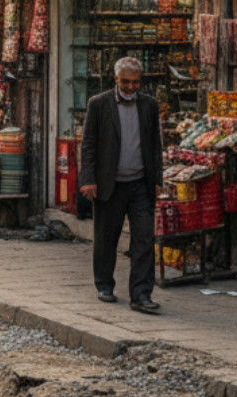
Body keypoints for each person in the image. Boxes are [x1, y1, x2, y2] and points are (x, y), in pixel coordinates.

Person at [79, 56, 163, 315]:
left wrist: (157, 180)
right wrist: (88, 179)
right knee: (106, 238)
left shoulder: (149, 105)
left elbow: (154, 145)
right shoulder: (99, 104)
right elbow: (89, 144)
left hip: (140, 184)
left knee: (143, 239)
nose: (130, 87)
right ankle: (104, 284)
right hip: (109, 183)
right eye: (125, 82)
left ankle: (141, 294)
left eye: (135, 82)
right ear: (115, 79)